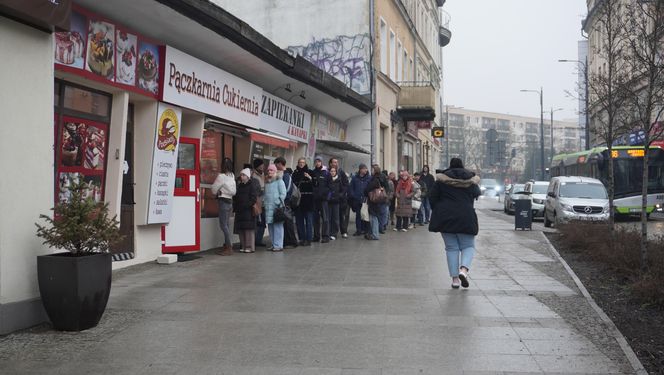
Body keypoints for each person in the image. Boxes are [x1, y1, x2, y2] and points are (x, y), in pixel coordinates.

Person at [428, 158, 481, 289]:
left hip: (446, 217)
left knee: (451, 248)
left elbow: (432, 197)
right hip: (466, 216)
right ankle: (463, 270)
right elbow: (477, 193)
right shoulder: (471, 181)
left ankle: (455, 280)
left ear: (450, 166)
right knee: (468, 246)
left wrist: (439, 209)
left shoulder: (441, 180)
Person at [210, 158, 237, 256]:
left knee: (223, 225)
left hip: (223, 202)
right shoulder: (232, 176)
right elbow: (233, 191)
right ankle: (227, 245)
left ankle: (229, 247)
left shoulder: (221, 176)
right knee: (227, 225)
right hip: (230, 202)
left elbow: (213, 189)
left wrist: (218, 191)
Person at [233, 168, 259, 253]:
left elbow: (253, 198)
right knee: (241, 229)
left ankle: (250, 247)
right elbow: (236, 197)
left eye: (243, 175)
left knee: (248, 230)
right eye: (241, 175)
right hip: (240, 210)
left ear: (248, 176)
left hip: (248, 211)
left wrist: (247, 205)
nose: (241, 176)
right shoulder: (240, 185)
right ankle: (244, 246)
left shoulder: (251, 185)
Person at [263, 164, 287, 251]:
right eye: (268, 170)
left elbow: (283, 193)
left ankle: (278, 245)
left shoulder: (279, 181)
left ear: (275, 171)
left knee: (278, 227)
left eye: (271, 170)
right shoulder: (267, 182)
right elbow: (265, 195)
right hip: (268, 208)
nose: (269, 172)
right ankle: (273, 244)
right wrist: (264, 203)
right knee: (271, 227)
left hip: (277, 208)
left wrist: (278, 202)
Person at [275, 157, 298, 248]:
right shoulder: (283, 174)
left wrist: (282, 199)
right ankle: (287, 241)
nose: (276, 166)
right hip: (284, 202)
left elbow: (287, 189)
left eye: (276, 164)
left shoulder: (286, 175)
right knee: (285, 222)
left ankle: (292, 242)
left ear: (280, 164)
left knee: (288, 222)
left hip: (286, 202)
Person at [292, 158, 314, 246]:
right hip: (298, 201)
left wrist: (310, 178)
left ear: (305, 163)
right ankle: (301, 238)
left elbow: (316, 184)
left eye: (303, 162)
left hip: (308, 200)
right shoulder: (295, 173)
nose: (301, 164)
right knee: (299, 221)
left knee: (309, 221)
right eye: (300, 162)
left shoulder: (310, 172)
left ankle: (308, 239)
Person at [363, 165, 388, 240]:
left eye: (372, 170)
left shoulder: (375, 179)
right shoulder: (380, 178)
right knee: (376, 217)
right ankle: (374, 233)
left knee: (373, 218)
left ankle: (375, 234)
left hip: (374, 201)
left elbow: (367, 189)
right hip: (379, 200)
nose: (371, 171)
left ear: (375, 171)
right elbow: (387, 187)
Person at [311, 157, 331, 243]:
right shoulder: (313, 172)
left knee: (325, 218)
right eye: (316, 161)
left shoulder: (326, 173)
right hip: (315, 199)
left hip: (323, 200)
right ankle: (316, 236)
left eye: (319, 161)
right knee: (315, 219)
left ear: (321, 162)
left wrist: (327, 196)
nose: (317, 163)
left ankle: (325, 236)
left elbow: (330, 186)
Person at [329, 158, 350, 238]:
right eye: (334, 162)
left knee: (341, 216)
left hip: (341, 199)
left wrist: (341, 194)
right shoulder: (328, 172)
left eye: (337, 162)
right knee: (333, 216)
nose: (336, 163)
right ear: (330, 163)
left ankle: (343, 231)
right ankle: (333, 233)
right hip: (331, 199)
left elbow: (346, 185)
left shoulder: (341, 172)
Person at [349, 164, 371, 236]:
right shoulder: (355, 178)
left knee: (365, 215)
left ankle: (365, 230)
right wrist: (353, 195)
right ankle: (358, 230)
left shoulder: (369, 178)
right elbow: (351, 188)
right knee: (358, 215)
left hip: (365, 200)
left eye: (366, 169)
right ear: (360, 169)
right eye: (364, 169)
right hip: (357, 199)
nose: (366, 170)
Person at [252, 158, 267, 247]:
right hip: (258, 202)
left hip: (264, 202)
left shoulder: (263, 175)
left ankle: (259, 240)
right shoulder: (254, 175)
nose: (263, 167)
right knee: (258, 222)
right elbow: (256, 189)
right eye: (261, 165)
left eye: (263, 165)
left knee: (262, 222)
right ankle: (256, 240)